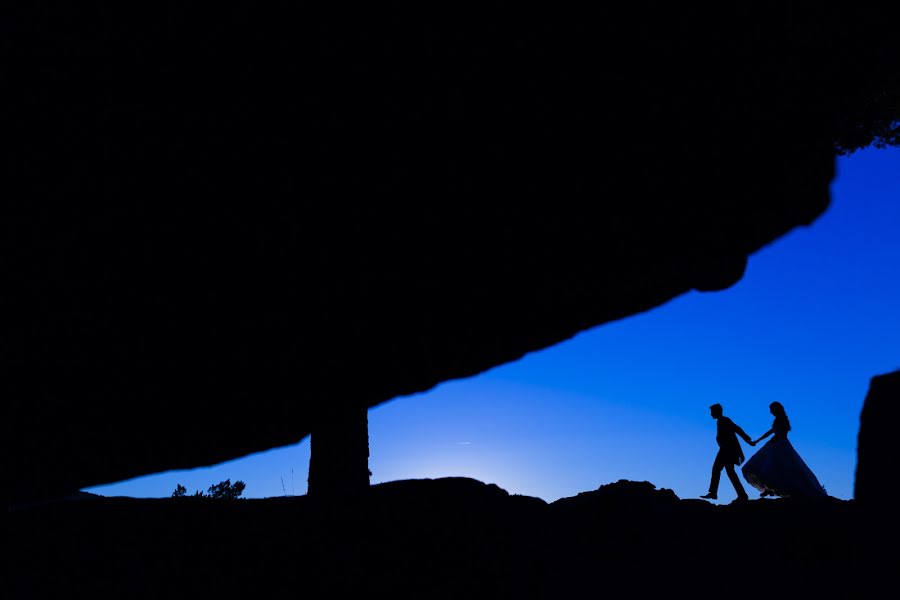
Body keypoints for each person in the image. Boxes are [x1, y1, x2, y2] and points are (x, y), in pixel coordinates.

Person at [742, 401, 827, 498]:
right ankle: (768, 488)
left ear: (776, 409)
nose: (770, 412)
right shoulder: (778, 419)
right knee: (765, 466)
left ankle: (770, 488)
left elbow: (782, 432)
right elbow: (771, 431)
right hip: (774, 443)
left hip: (780, 445)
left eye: (771, 410)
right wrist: (757, 440)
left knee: (777, 468)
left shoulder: (782, 419)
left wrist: (773, 439)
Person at [700, 403, 755, 501]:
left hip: (727, 450)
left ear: (716, 412)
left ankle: (714, 493)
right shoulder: (721, 421)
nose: (710, 414)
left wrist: (748, 439)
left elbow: (737, 429)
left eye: (712, 412)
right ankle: (742, 495)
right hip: (726, 449)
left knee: (717, 469)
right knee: (730, 472)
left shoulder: (724, 420)